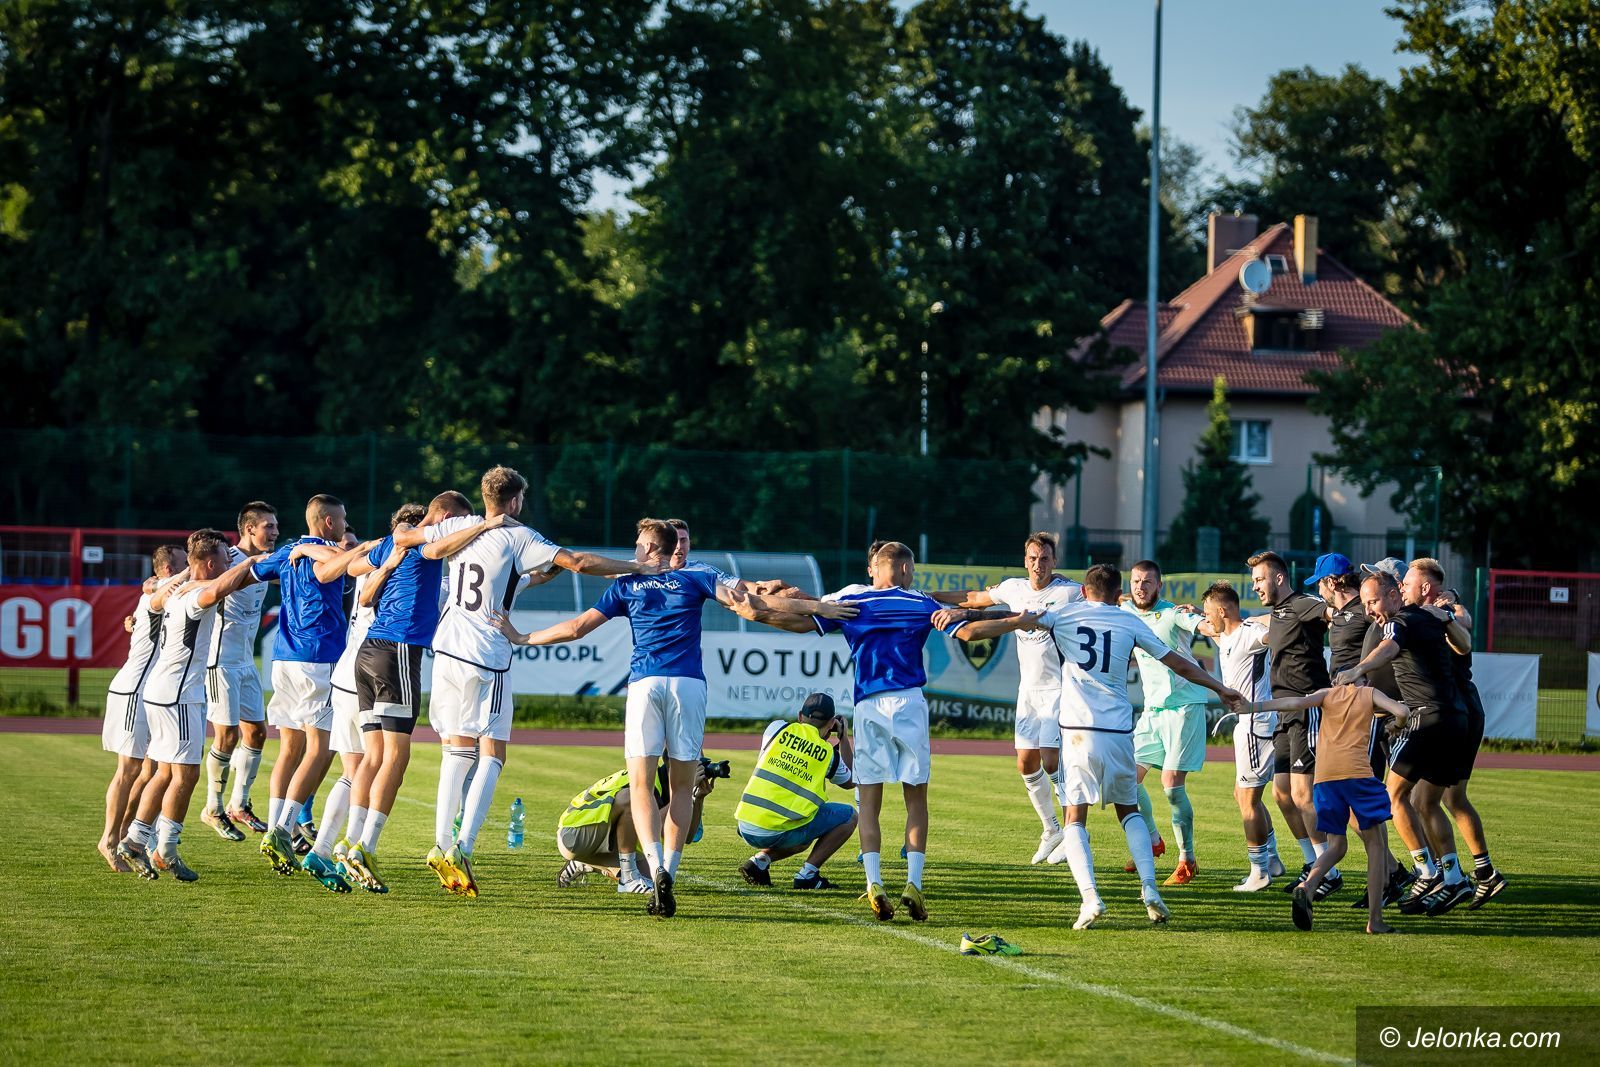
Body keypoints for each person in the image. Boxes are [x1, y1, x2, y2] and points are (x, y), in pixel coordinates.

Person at [495, 517, 854, 918]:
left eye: (637, 542)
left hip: (645, 685)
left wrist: (523, 636)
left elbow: (578, 628)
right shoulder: (696, 578)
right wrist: (816, 607)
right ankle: (670, 871)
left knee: (643, 787)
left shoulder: (627, 583)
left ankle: (649, 867)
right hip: (689, 685)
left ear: (650, 546)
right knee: (683, 788)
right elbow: (749, 604)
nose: (634, 549)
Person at [739, 542, 1050, 925]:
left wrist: (758, 609)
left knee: (868, 802)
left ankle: (873, 882)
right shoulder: (919, 602)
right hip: (909, 704)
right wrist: (1019, 621)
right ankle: (913, 884)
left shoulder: (852, 598)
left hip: (869, 705)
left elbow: (801, 618)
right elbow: (970, 633)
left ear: (877, 568)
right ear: (905, 571)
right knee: (915, 800)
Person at [401, 467, 666, 899]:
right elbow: (579, 562)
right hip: (486, 655)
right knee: (492, 753)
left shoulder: (461, 523)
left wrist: (543, 566)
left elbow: (423, 548)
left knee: (457, 748)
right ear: (515, 500)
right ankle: (463, 848)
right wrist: (636, 566)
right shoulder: (518, 534)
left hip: (445, 648)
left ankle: (440, 844)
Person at [969, 564, 1244, 930]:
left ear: (1084, 591)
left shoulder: (1062, 614)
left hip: (1078, 731)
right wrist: (1219, 687)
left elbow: (1014, 620)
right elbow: (1178, 662)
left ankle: (1090, 898)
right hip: (1117, 730)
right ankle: (1149, 889)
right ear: (1119, 596)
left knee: (1074, 817)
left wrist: (966, 622)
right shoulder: (1129, 623)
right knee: (1128, 809)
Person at [337, 492, 472, 893]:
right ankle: (367, 846)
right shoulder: (425, 542)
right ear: (443, 517)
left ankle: (351, 840)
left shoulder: (393, 543)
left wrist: (383, 552)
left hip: (367, 652)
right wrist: (486, 524)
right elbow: (447, 542)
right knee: (397, 756)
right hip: (398, 650)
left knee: (373, 755)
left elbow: (357, 575)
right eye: (457, 520)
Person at [236, 496, 376, 875]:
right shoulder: (327, 553)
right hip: (320, 657)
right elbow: (343, 566)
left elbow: (256, 570)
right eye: (343, 520)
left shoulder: (290, 550)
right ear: (329, 523)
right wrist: (364, 547)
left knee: (290, 748)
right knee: (321, 749)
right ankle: (283, 829)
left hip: (283, 658)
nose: (347, 526)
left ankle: (277, 823)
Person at [115, 530, 260, 881]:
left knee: (166, 773)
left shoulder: (175, 590)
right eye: (227, 560)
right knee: (186, 774)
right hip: (180, 694)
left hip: (161, 690)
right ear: (211, 563)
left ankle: (142, 842)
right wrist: (255, 562)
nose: (231, 564)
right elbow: (218, 588)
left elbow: (180, 585)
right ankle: (157, 847)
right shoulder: (196, 595)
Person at [933, 533, 1081, 864]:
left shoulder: (1070, 592)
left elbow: (1109, 597)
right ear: (1024, 560)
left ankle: (1074, 833)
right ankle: (1052, 829)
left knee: (1051, 759)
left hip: (1060, 688)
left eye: (1044, 559)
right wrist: (928, 597)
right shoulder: (1014, 588)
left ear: (1054, 561)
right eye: (1032, 558)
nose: (1038, 565)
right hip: (1028, 690)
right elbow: (973, 598)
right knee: (1026, 764)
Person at [1336, 567, 1476, 916]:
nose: (1369, 610)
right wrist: (1447, 617)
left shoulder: (1400, 620)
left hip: (1425, 719)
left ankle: (1426, 872)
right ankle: (1455, 876)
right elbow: (1466, 644)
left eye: (1373, 601)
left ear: (1395, 594)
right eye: (1365, 603)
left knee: (1393, 796)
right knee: (1426, 802)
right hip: (1454, 719)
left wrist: (1356, 670)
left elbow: (1389, 647)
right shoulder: (1430, 617)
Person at [1242, 684, 1412, 934]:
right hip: (1358, 776)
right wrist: (1396, 726)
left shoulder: (1327, 694)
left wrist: (1251, 707)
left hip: (1325, 779)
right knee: (1376, 845)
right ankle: (1375, 920)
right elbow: (1402, 711)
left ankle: (1308, 887)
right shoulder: (1369, 692)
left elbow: (1295, 704)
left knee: (1336, 846)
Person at [1248, 550, 1342, 898]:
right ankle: (1311, 862)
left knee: (1303, 795)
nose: (1256, 585)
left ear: (1279, 578)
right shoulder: (1278, 612)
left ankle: (1327, 870)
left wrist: (1344, 613)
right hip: (1284, 713)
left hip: (1307, 710)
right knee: (1282, 794)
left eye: (1260, 579)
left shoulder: (1303, 603)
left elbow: (1332, 614)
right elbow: (1267, 620)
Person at [1421, 567, 1507, 909]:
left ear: (1425, 586)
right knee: (1450, 799)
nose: (1401, 587)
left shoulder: (1448, 611)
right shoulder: (1430, 609)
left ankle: (1448, 877)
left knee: (1423, 801)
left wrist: (1450, 606)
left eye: (1406, 581)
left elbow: (1464, 621)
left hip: (1457, 712)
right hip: (1456, 711)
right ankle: (1481, 874)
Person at [1120, 559, 1210, 885]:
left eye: (1147, 582)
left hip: (1184, 707)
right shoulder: (1126, 611)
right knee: (1126, 781)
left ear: (1159, 586)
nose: (1141, 587)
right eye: (1136, 582)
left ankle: (1187, 860)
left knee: (1171, 786)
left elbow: (1203, 625)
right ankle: (1153, 841)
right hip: (1152, 711)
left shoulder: (1174, 613)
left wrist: (1204, 615)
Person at [99, 545, 185, 871]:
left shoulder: (175, 596)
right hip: (135, 689)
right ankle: (108, 839)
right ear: (165, 570)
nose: (187, 568)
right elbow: (152, 588)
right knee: (129, 769)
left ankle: (126, 836)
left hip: (153, 693)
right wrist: (152, 585)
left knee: (151, 771)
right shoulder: (158, 591)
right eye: (180, 565)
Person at [1198, 580, 1285, 891]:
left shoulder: (1248, 633)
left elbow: (1276, 629)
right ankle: (1272, 859)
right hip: (1246, 724)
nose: (1208, 619)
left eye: (1210, 613)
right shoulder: (1226, 635)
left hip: (1256, 724)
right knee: (1242, 795)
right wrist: (1195, 615)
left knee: (1249, 799)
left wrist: (1261, 619)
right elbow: (1209, 629)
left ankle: (1259, 870)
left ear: (1222, 611)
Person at [201, 501, 279, 839]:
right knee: (227, 735)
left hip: (247, 662)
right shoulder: (226, 559)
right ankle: (212, 807)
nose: (274, 532)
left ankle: (239, 804)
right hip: (221, 662)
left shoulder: (265, 561)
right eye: (268, 527)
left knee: (258, 733)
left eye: (276, 527)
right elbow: (199, 584)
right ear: (249, 529)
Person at [735, 693, 857, 890]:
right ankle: (807, 875)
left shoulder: (776, 728)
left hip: (746, 823)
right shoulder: (826, 753)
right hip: (775, 830)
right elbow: (851, 780)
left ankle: (760, 862)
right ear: (832, 723)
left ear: (800, 716)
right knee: (850, 816)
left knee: (803, 837)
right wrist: (843, 738)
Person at [557, 762, 716, 894]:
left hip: (596, 838)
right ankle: (628, 878)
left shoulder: (667, 787)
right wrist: (685, 792)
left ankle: (585, 863)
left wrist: (697, 797)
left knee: (654, 881)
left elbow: (687, 837)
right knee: (632, 798)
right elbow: (656, 825)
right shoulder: (648, 782)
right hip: (574, 834)